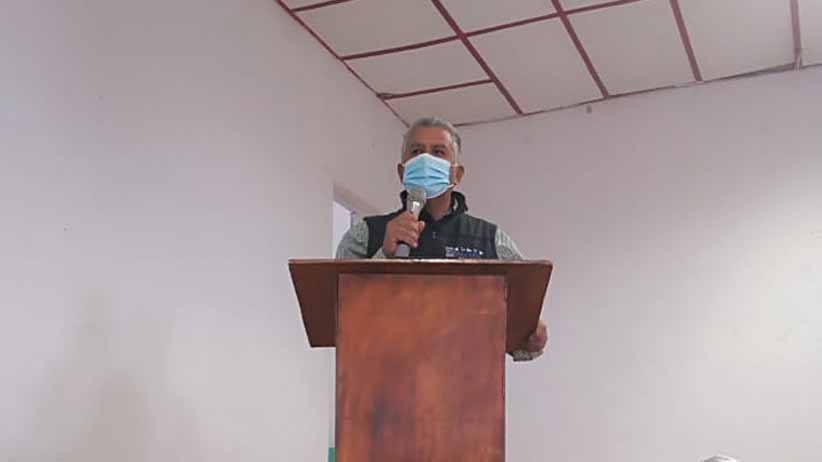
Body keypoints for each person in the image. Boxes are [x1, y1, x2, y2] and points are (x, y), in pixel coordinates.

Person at [336, 116, 548, 361]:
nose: (426, 160)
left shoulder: (491, 240)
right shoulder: (365, 234)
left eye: (438, 152)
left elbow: (524, 337)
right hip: (382, 376)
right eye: (416, 152)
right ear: (402, 172)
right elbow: (339, 316)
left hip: (468, 378)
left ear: (456, 174)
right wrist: (385, 254)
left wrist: (532, 338)